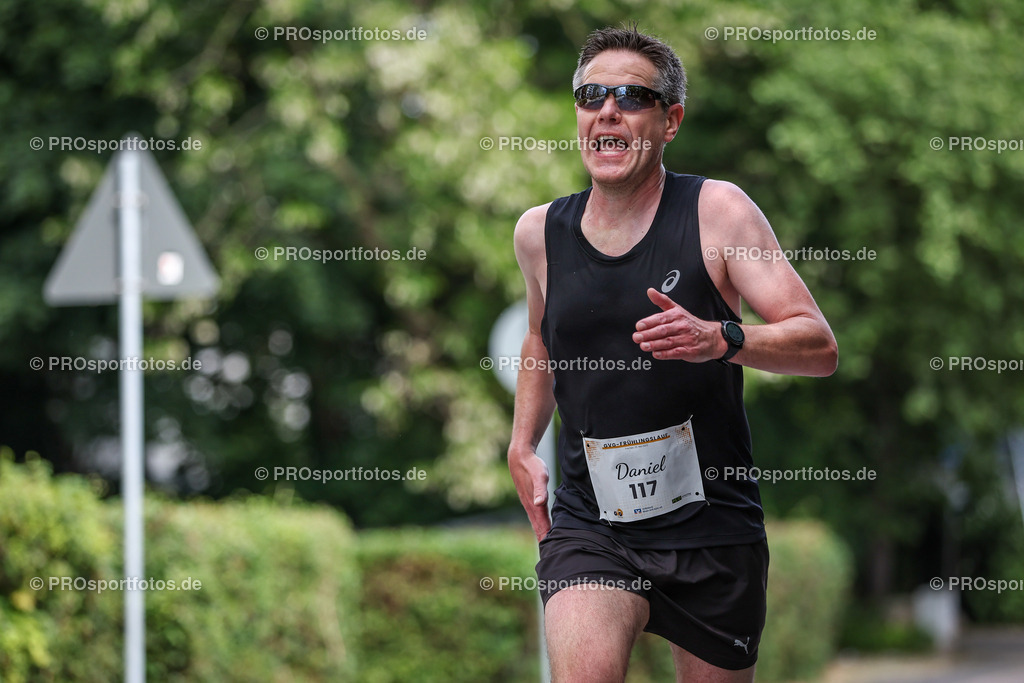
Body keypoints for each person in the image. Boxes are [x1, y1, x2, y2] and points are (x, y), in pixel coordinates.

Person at [508, 25, 838, 683]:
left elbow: (818, 344)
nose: (608, 110)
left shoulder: (719, 212)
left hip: (712, 528)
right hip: (593, 523)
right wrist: (521, 443)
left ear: (671, 121)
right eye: (592, 95)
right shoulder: (539, 233)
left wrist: (722, 339)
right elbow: (540, 338)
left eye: (632, 97)